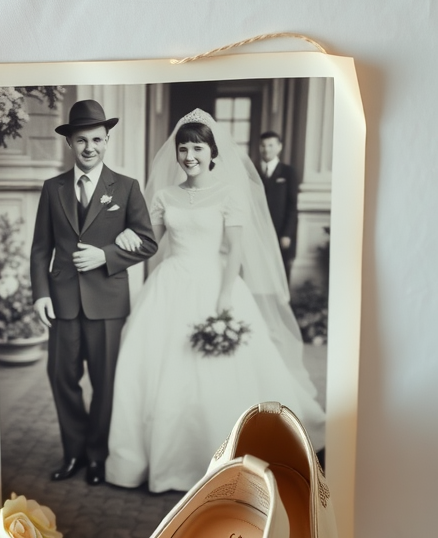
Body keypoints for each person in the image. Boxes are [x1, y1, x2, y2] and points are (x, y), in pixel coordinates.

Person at [105, 110, 325, 493]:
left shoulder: (230, 194)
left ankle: (224, 457)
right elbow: (149, 243)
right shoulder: (164, 195)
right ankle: (161, 459)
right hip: (169, 286)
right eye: (183, 147)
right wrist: (122, 242)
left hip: (216, 283)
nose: (189, 155)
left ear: (212, 152)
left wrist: (224, 300)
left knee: (220, 373)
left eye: (197, 147)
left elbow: (236, 252)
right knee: (160, 370)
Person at [30, 99, 158, 485]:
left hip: (107, 303)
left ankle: (98, 456)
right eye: (82, 140)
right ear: (70, 143)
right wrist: (40, 293)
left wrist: (105, 256)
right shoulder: (52, 189)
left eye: (97, 140)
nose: (90, 148)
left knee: (105, 383)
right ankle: (74, 453)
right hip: (63, 301)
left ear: (107, 140)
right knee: (61, 377)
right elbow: (40, 248)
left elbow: (149, 243)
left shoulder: (127, 187)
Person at [258, 131, 298, 280]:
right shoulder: (253, 172)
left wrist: (287, 234)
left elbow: (292, 206)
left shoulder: (288, 172)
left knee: (280, 272)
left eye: (270, 145)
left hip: (280, 232)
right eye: (263, 145)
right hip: (259, 231)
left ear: (279, 147)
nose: (266, 149)